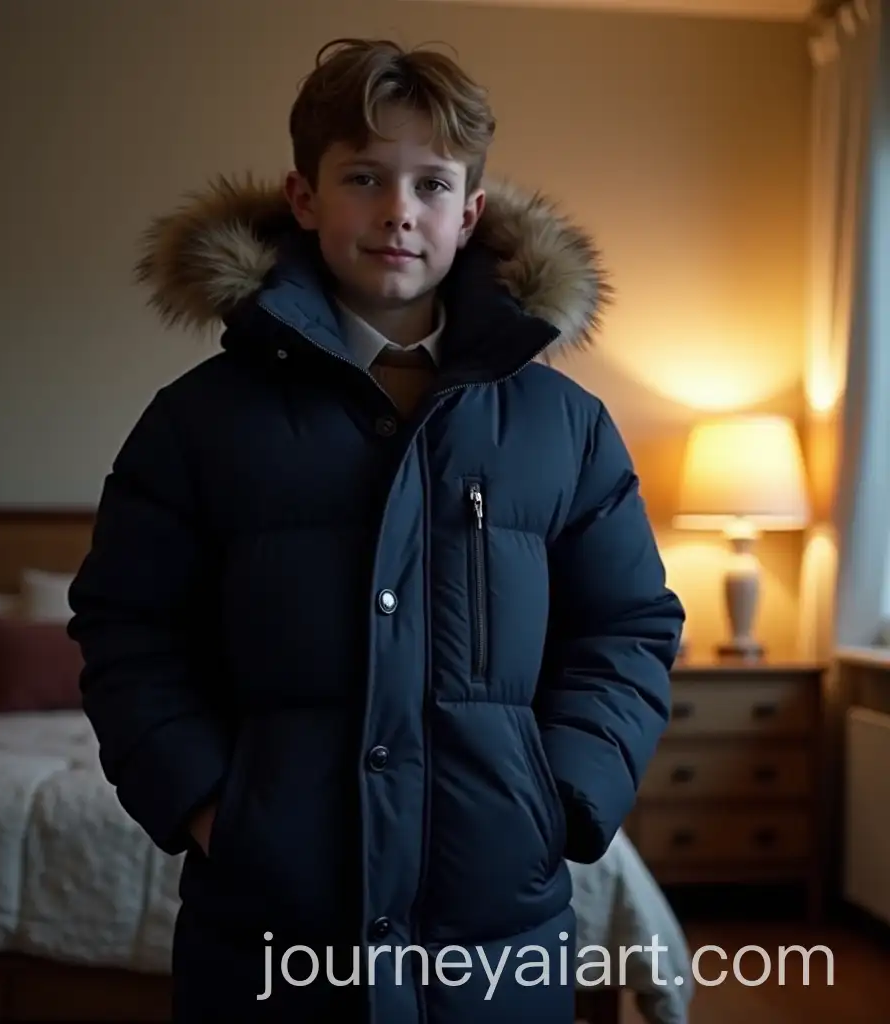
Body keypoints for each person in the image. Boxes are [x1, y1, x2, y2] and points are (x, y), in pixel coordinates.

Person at [67, 36, 685, 1024]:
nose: (399, 209)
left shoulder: (563, 428)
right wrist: (209, 805)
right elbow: (126, 626)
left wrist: (558, 794)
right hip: (270, 927)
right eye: (363, 176)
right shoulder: (201, 420)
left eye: (431, 183)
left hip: (496, 927)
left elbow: (627, 628)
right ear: (305, 196)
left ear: (469, 213)